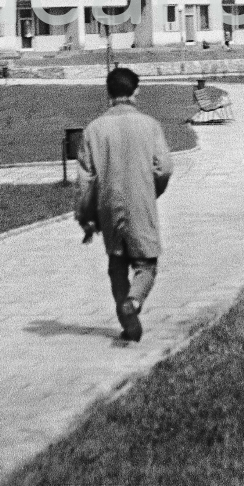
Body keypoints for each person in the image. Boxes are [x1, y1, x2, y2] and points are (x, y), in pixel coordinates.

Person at [76, 66, 173, 342]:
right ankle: (135, 299)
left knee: (117, 265)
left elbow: (86, 179)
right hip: (140, 203)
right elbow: (164, 168)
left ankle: (130, 326)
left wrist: (87, 217)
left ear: (109, 94)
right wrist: (149, 189)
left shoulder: (93, 129)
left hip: (108, 206)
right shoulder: (150, 125)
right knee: (146, 264)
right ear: (136, 91)